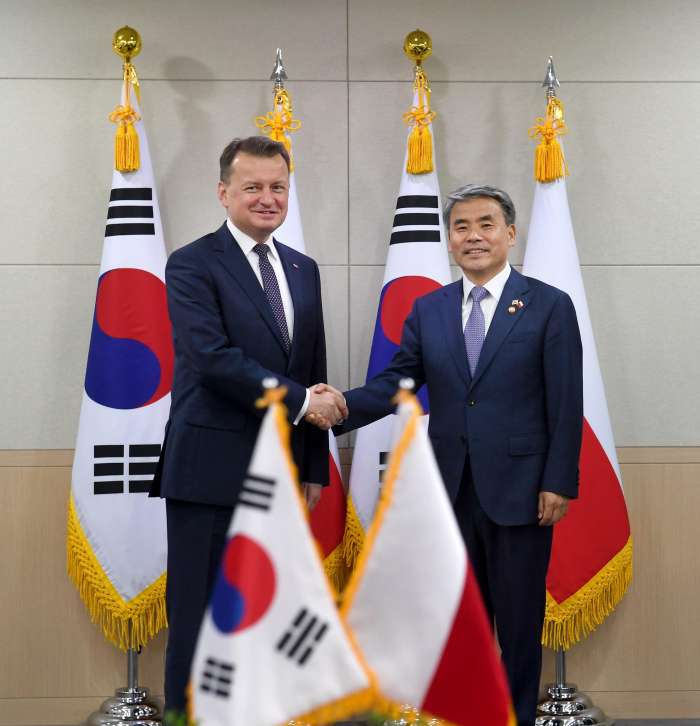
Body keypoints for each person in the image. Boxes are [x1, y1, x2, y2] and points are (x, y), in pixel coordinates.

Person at [310, 184, 583, 726]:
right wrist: (338, 406)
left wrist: (560, 480)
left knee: (519, 625)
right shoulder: (429, 309)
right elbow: (399, 381)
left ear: (509, 233)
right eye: (461, 227)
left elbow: (566, 401)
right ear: (449, 241)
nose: (473, 236)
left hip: (524, 492)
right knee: (459, 623)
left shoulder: (549, 305)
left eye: (486, 224)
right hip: (449, 491)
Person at [149, 136, 347, 713]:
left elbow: (313, 370)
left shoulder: (303, 269)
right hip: (207, 475)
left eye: (277, 187)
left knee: (268, 618)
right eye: (253, 187)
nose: (267, 198)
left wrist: (313, 464)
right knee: (200, 620)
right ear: (224, 193)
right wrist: (302, 402)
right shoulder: (191, 263)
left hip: (282, 478)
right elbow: (212, 360)